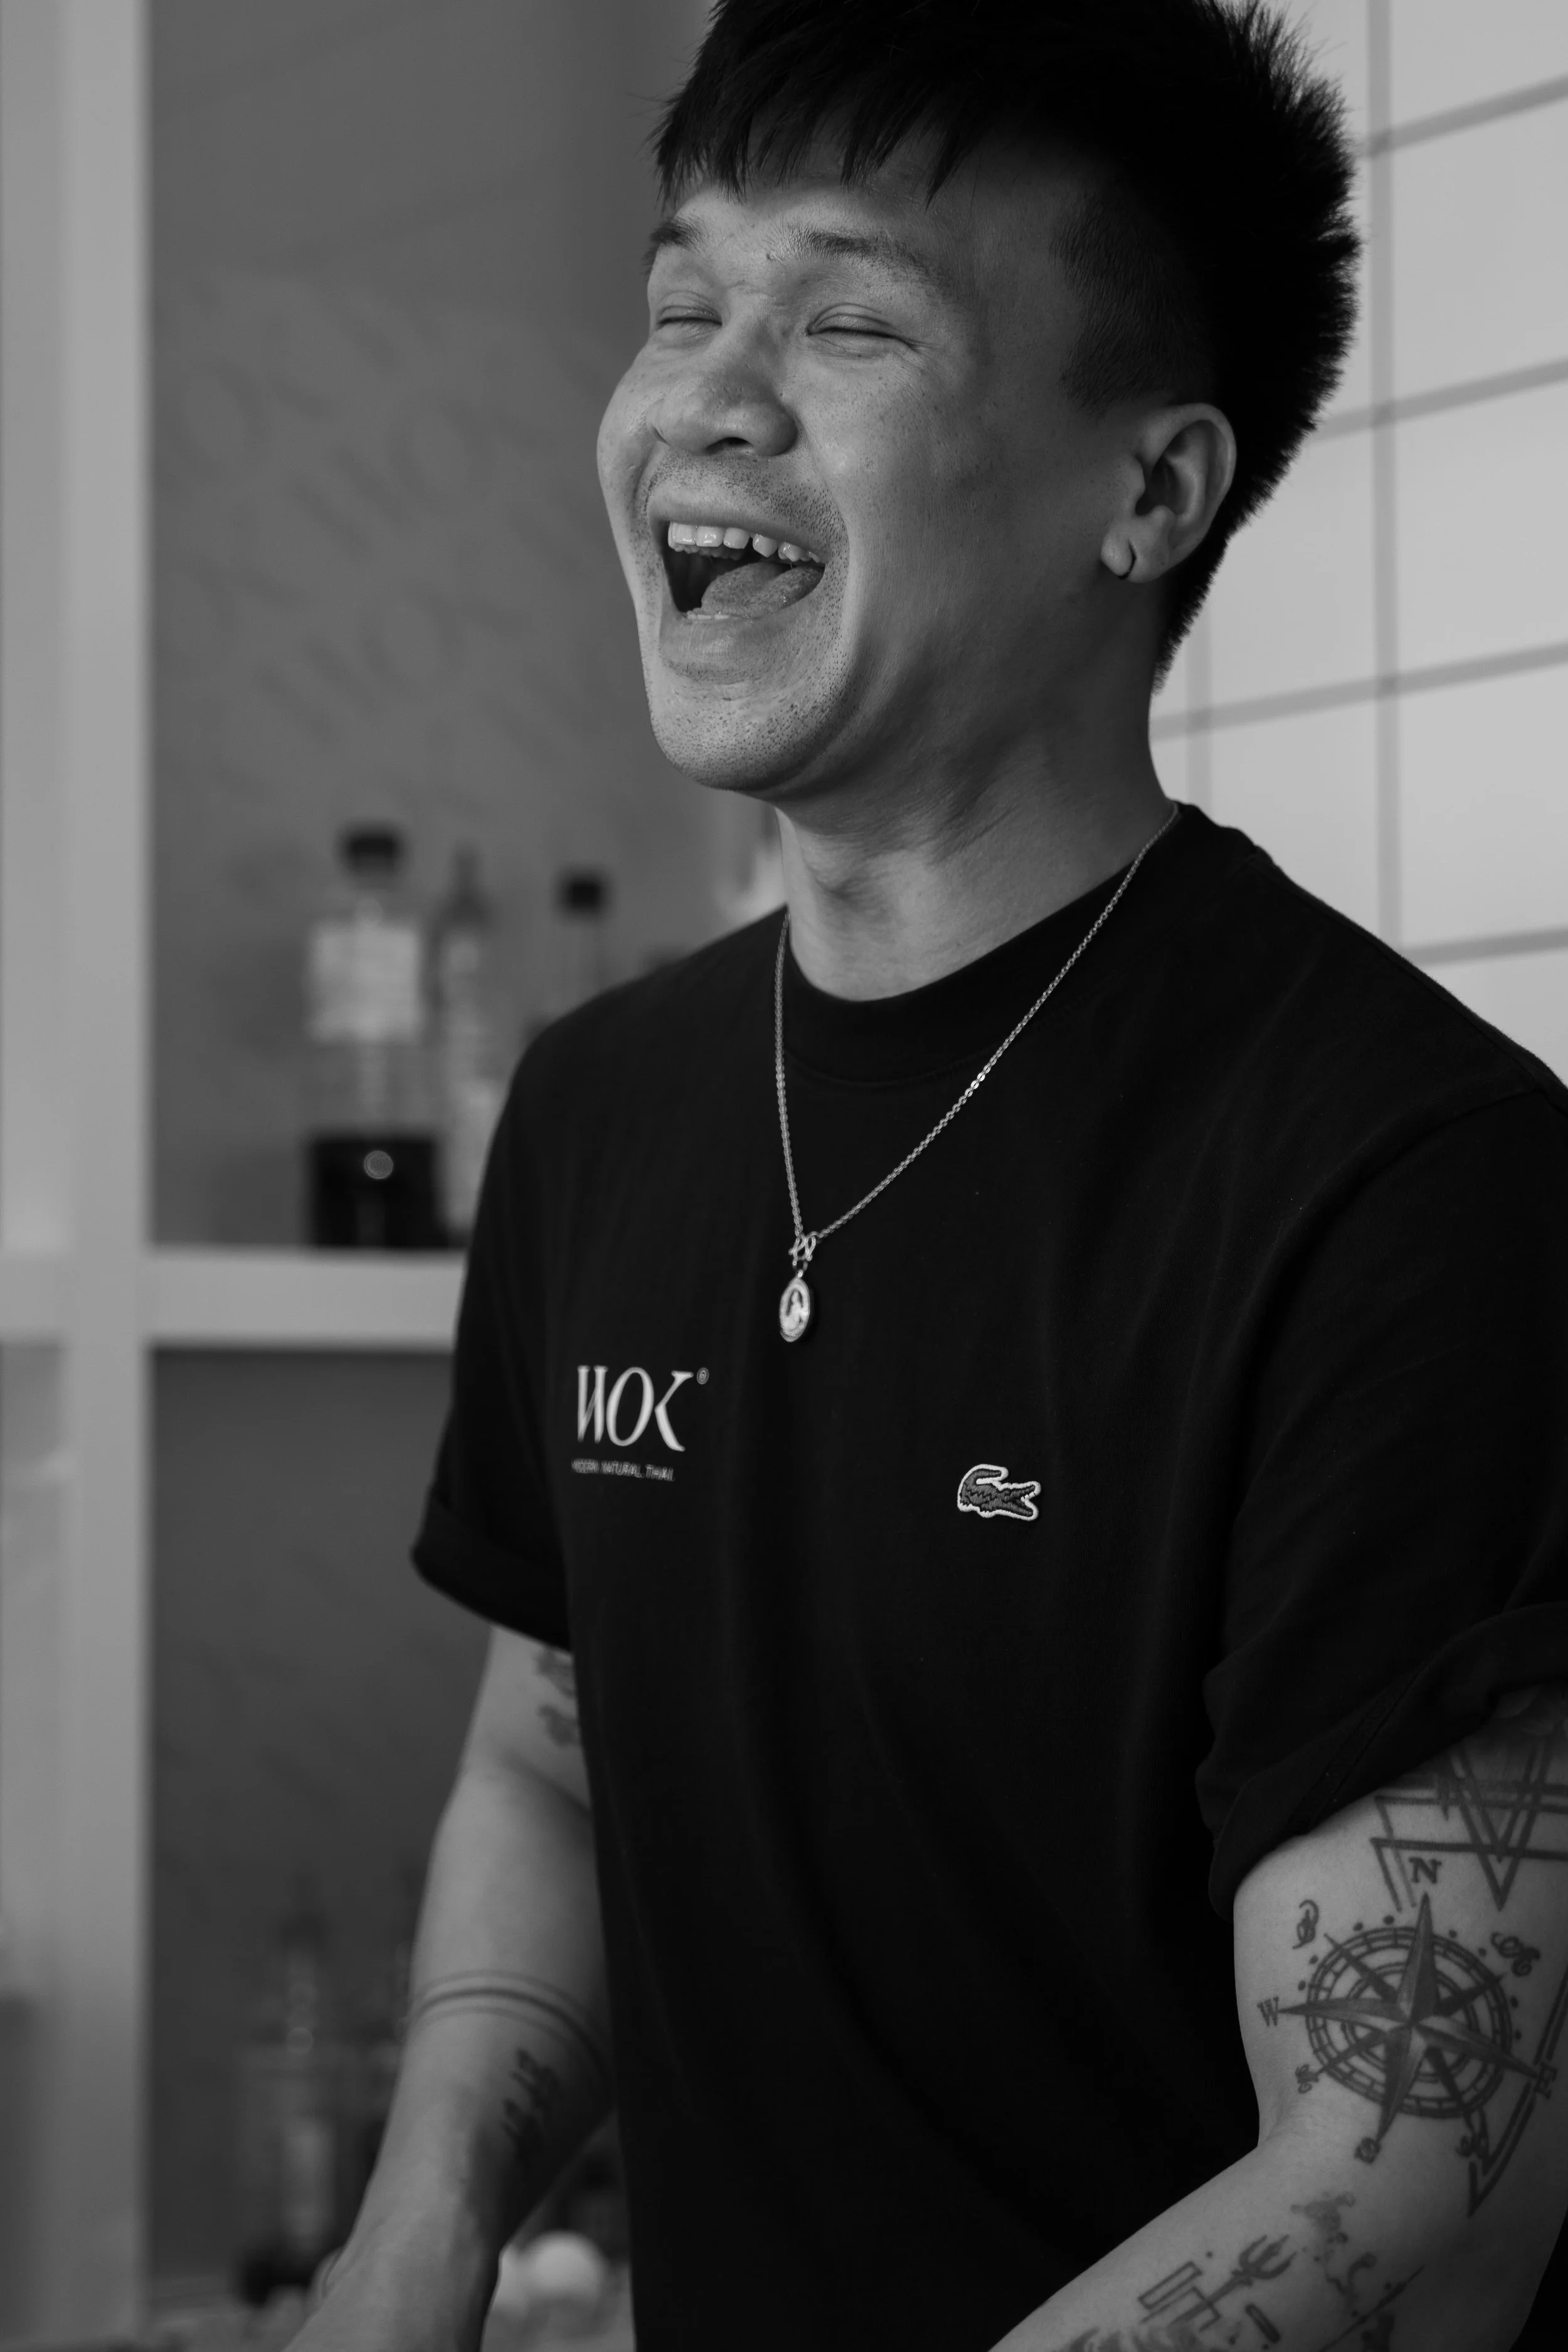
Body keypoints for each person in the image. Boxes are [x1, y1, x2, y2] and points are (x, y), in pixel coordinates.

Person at [297, 3, 1568, 2346]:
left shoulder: (1419, 1190)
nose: (705, 392)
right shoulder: (599, 1108)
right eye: (684, 300)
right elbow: (556, 1762)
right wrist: (416, 2237)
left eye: (849, 316)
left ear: (1150, 491)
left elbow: (1413, 2180)